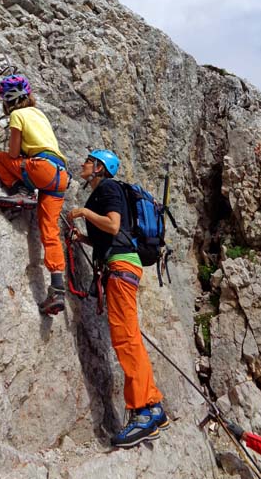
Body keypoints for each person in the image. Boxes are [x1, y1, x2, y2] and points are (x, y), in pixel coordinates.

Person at [67, 148, 169, 448]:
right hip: (123, 264)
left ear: (100, 167)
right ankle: (153, 407)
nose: (84, 164)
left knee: (126, 339)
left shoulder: (109, 187)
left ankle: (141, 413)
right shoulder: (109, 191)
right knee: (131, 338)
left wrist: (84, 213)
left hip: (121, 267)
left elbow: (112, 225)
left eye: (89, 161)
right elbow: (113, 233)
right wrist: (83, 238)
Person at [0, 74, 69, 316]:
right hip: (61, 176)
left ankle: (21, 193)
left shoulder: (16, 115)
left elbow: (13, 154)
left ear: (7, 101)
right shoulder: (39, 114)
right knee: (50, 232)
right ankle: (57, 288)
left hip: (41, 169)